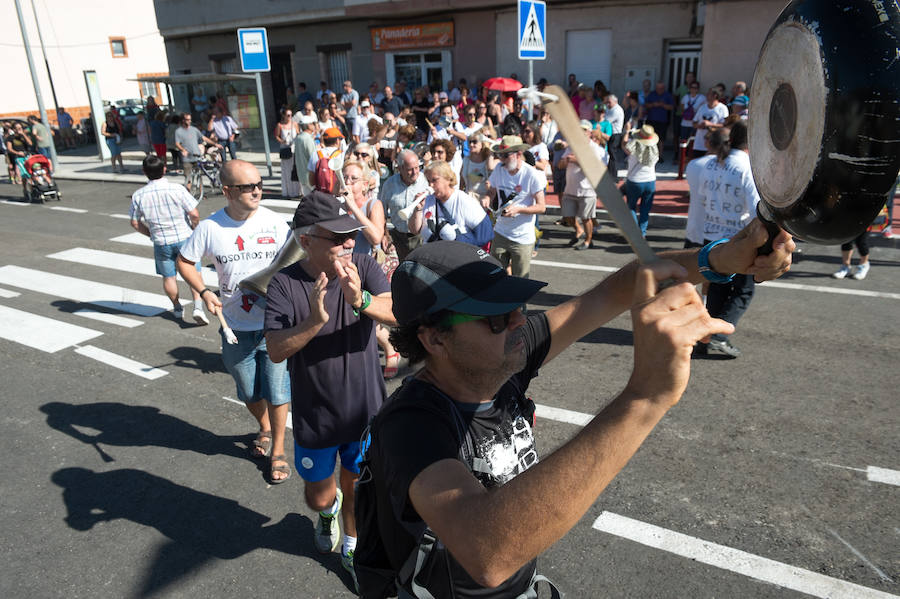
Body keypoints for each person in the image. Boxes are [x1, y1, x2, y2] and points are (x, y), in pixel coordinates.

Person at [360, 219, 794, 598]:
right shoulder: (409, 424)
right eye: (494, 317)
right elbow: (488, 551)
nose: (517, 322)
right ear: (434, 339)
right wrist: (644, 398)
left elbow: (620, 287)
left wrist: (722, 259)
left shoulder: (503, 355)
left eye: (515, 305)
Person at [263, 190, 395, 581]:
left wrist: (361, 300)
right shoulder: (285, 284)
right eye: (337, 237)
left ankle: (352, 548)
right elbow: (274, 350)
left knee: (358, 488)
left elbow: (397, 312)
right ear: (305, 242)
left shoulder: (363, 265)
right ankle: (326, 512)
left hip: (365, 411)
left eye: (350, 233)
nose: (349, 242)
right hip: (315, 416)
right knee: (319, 495)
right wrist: (312, 323)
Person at [176, 160, 293, 484]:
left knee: (278, 391)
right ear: (227, 191)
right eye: (247, 186)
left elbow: (295, 261)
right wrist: (203, 291)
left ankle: (279, 449)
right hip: (234, 327)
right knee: (249, 392)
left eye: (258, 184)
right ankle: (265, 427)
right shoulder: (211, 228)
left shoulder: (274, 223)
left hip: (274, 325)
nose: (256, 190)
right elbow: (185, 261)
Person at [696, 121, 759, 358]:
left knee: (717, 289)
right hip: (737, 238)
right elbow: (756, 210)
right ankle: (719, 337)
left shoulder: (711, 164)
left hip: (711, 235)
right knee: (743, 291)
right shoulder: (747, 167)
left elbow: (702, 198)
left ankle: (707, 336)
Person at [129, 154, 207, 324]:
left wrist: (151, 234)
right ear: (164, 169)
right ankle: (198, 306)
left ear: (144, 172)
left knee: (169, 277)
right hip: (184, 237)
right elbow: (194, 213)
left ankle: (178, 307)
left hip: (161, 242)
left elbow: (135, 223)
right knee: (194, 272)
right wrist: (195, 228)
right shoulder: (177, 189)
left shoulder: (138, 195)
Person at [485, 135, 546, 278]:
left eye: (505, 155)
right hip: (500, 232)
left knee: (520, 281)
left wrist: (519, 209)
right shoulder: (500, 169)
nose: (501, 159)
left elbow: (542, 207)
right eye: (500, 155)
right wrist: (487, 198)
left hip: (522, 237)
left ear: (519, 154)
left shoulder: (531, 174)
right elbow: (492, 190)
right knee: (494, 276)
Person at [407, 160, 493, 248]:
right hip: (431, 257)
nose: (430, 185)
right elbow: (415, 230)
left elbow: (485, 235)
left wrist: (461, 245)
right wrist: (418, 209)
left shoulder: (463, 200)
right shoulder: (428, 200)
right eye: (428, 181)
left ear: (448, 179)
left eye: (434, 180)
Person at [557, 120, 607, 250]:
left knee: (586, 218)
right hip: (570, 189)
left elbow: (597, 169)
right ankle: (579, 230)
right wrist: (565, 160)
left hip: (587, 190)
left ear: (590, 133)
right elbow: (560, 165)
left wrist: (576, 160)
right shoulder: (571, 146)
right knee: (567, 215)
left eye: (584, 130)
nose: (581, 133)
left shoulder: (596, 149)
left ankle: (588, 241)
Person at [381, 149, 429, 261]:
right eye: (410, 169)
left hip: (421, 237)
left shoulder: (426, 182)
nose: (415, 172)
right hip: (397, 238)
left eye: (417, 167)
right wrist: (384, 235)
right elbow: (382, 212)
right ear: (400, 168)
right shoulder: (389, 184)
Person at [622, 125, 660, 237]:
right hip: (650, 181)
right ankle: (642, 232)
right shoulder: (654, 151)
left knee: (631, 207)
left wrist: (627, 131)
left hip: (635, 181)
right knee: (645, 209)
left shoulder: (633, 151)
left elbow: (624, 145)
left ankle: (634, 233)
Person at [175, 114, 217, 193]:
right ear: (183, 120)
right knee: (188, 177)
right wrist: (183, 150)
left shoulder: (194, 129)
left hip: (197, 156)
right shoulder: (179, 131)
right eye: (188, 119)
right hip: (187, 158)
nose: (190, 121)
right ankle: (188, 194)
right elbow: (177, 143)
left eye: (190, 119)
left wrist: (214, 144)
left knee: (199, 176)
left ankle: (202, 193)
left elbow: (203, 137)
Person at [692, 89, 729, 159]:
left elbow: (725, 125)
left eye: (709, 94)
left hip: (714, 145)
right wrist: (699, 126)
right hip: (699, 144)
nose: (706, 96)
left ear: (715, 95)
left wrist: (710, 124)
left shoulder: (723, 108)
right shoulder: (702, 107)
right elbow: (694, 122)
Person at [274, 108, 300, 199]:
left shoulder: (295, 124)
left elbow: (298, 134)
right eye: (288, 115)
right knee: (287, 172)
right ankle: (289, 191)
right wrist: (282, 141)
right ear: (284, 116)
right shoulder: (280, 125)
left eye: (291, 115)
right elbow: (276, 136)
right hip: (285, 149)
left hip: (294, 149)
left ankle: (296, 190)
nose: (290, 117)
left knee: (295, 170)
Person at [643, 81, 674, 159]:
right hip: (651, 120)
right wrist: (654, 104)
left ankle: (660, 156)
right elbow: (646, 105)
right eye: (658, 88)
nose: (659, 89)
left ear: (664, 88)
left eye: (661, 88)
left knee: (661, 139)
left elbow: (672, 107)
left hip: (662, 121)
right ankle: (651, 155)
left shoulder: (668, 95)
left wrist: (663, 105)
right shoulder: (652, 94)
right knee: (650, 138)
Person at [680, 81, 705, 158]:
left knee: (692, 141)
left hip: (694, 123)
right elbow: (681, 107)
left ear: (698, 89)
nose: (693, 89)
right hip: (684, 123)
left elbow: (703, 110)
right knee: (683, 140)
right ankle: (682, 157)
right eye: (692, 87)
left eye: (695, 88)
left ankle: (690, 157)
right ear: (689, 88)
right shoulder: (685, 97)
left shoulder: (702, 98)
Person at [293, 115, 317, 197]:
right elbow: (313, 158)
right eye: (313, 123)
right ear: (308, 125)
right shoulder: (308, 139)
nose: (314, 125)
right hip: (310, 176)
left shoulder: (298, 138)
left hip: (302, 175)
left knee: (307, 199)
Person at [603, 94, 625, 181]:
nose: (607, 104)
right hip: (611, 134)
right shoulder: (610, 108)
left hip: (615, 135)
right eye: (607, 102)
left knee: (612, 155)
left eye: (609, 102)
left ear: (615, 101)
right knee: (609, 154)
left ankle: (614, 176)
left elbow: (606, 120)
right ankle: (610, 174)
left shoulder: (617, 110)